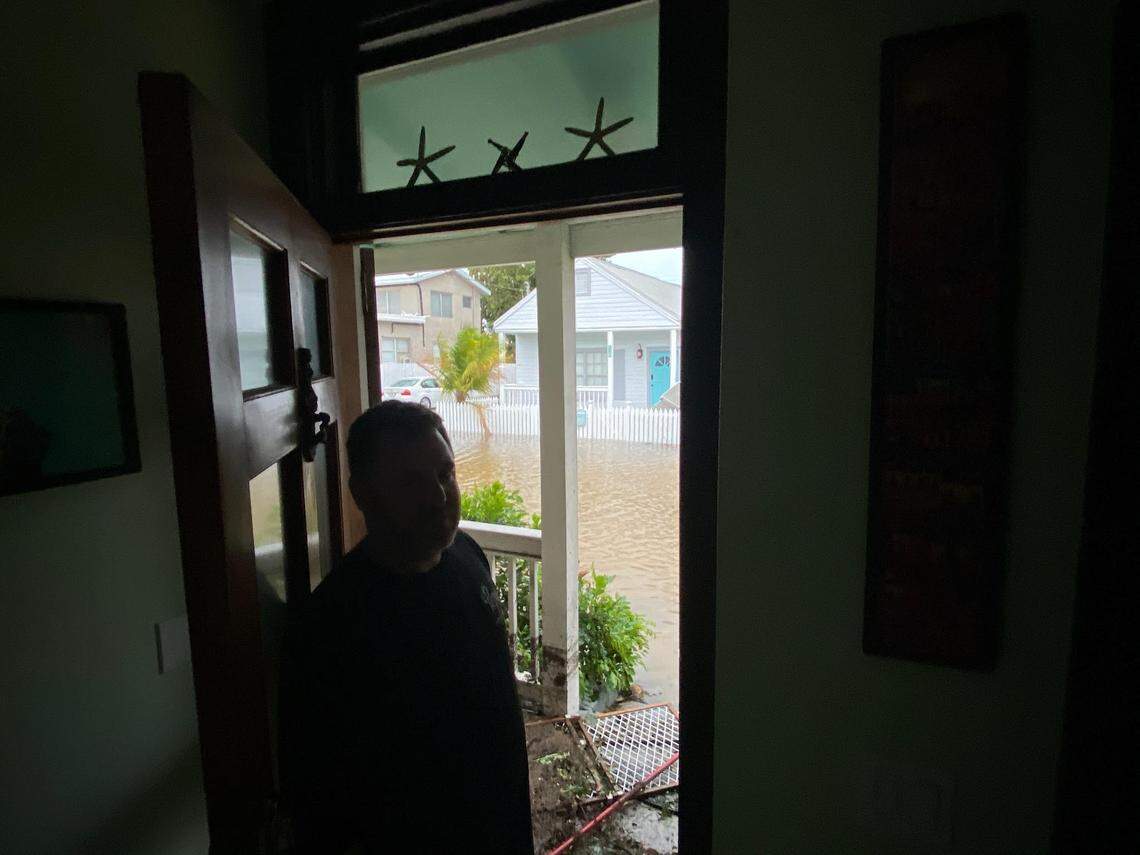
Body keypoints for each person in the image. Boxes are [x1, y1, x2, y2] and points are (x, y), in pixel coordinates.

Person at [280, 401, 533, 854]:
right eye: (410, 482)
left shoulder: (468, 558)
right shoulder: (329, 628)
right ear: (364, 495)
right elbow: (318, 801)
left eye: (445, 474)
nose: (438, 497)